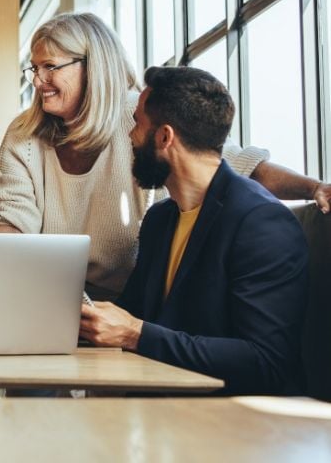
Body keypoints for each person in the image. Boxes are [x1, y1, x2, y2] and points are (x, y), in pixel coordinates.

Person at [0, 12, 329, 301]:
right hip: (49, 295)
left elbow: (234, 165)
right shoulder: (25, 135)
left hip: (136, 302)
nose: (38, 81)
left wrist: (313, 188)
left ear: (93, 67)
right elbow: (11, 224)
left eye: (49, 67)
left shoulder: (140, 118)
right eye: (33, 69)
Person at [80, 66, 308, 395]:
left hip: (246, 428)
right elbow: (131, 315)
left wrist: (136, 334)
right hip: (166, 412)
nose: (130, 136)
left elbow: (266, 361)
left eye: (138, 124)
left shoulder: (262, 223)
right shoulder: (160, 221)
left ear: (164, 137)